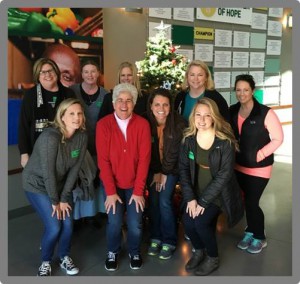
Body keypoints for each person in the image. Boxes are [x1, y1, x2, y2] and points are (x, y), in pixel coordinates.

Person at [22, 98, 88, 276]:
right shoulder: (50, 137)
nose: (76, 118)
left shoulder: (82, 137)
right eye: (71, 114)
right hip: (36, 184)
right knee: (54, 226)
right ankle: (45, 261)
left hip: (58, 186)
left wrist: (64, 198)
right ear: (62, 117)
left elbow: (74, 171)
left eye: (79, 113)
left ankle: (64, 256)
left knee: (67, 223)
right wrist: (55, 201)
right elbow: (48, 172)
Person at [179, 98, 244, 276]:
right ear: (193, 117)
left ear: (214, 117)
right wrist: (190, 198)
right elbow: (183, 169)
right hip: (196, 190)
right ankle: (199, 251)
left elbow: (224, 175)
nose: (202, 119)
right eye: (198, 115)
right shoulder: (188, 139)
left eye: (207, 115)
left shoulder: (225, 142)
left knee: (200, 223)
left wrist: (203, 202)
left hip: (218, 193)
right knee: (187, 222)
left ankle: (213, 257)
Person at [96, 83, 151, 271]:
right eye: (120, 100)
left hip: (135, 184)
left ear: (134, 103)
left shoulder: (143, 125)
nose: (124, 104)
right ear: (113, 103)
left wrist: (138, 191)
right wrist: (110, 192)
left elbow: (144, 160)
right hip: (113, 185)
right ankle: (112, 251)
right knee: (114, 221)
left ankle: (134, 251)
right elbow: (103, 162)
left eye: (128, 101)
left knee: (135, 223)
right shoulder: (103, 125)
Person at [229, 74, 284, 254]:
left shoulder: (265, 113)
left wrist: (259, 154)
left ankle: (260, 237)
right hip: (238, 165)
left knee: (252, 202)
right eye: (238, 90)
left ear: (253, 91)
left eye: (246, 89)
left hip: (259, 168)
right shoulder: (232, 110)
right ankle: (250, 230)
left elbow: (278, 138)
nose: (242, 93)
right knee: (245, 201)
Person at [145, 88, 187, 259]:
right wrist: (156, 171)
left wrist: (164, 172)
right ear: (151, 106)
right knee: (153, 200)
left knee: (164, 200)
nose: (161, 108)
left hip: (172, 169)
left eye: (165, 105)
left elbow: (174, 154)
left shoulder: (179, 123)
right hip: (153, 169)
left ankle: (169, 239)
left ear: (171, 106)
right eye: (157, 104)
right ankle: (155, 236)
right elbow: (147, 150)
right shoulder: (144, 121)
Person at [70, 60, 109, 223]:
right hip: (78, 146)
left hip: (98, 146)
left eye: (93, 71)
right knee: (79, 181)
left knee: (97, 181)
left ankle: (95, 214)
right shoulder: (72, 91)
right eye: (86, 71)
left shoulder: (106, 94)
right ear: (82, 74)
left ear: (98, 73)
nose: (90, 75)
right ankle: (78, 217)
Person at [18, 58, 75, 168]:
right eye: (43, 72)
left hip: (65, 151)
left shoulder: (68, 94)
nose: (47, 75)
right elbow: (23, 126)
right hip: (38, 153)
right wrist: (24, 154)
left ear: (56, 72)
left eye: (50, 70)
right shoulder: (31, 96)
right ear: (37, 76)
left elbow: (76, 122)